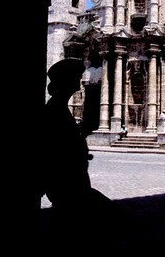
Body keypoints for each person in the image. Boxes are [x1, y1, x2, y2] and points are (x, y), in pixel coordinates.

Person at [41, 58, 123, 245]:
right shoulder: (55, 112)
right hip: (68, 187)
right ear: (66, 81)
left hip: (72, 187)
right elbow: (55, 151)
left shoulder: (59, 109)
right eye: (76, 77)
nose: (79, 82)